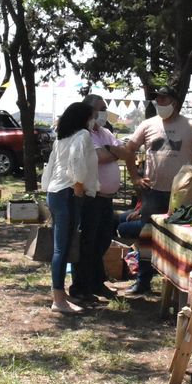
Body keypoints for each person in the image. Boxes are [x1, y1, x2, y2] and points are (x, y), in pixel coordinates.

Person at [119, 84, 192, 296]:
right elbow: (129, 149)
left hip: (182, 194)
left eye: (164, 99)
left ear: (175, 102)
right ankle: (143, 282)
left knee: (180, 238)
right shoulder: (147, 124)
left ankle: (177, 287)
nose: (160, 103)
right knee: (147, 237)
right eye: (158, 100)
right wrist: (135, 177)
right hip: (153, 191)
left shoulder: (191, 126)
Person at [72, 94, 138, 302]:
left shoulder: (105, 132)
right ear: (88, 110)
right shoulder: (83, 134)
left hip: (106, 199)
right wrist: (112, 151)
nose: (103, 112)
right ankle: (81, 287)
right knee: (87, 242)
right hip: (91, 198)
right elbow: (100, 157)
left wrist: (112, 150)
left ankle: (96, 282)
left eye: (105, 108)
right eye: (100, 108)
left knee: (102, 241)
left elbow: (126, 152)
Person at [40, 102, 99, 314]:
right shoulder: (82, 135)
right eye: (93, 115)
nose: (95, 119)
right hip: (68, 193)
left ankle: (61, 296)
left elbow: (52, 165)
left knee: (61, 246)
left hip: (55, 192)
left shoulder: (62, 136)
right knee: (62, 248)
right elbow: (77, 164)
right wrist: (79, 188)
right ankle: (58, 300)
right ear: (84, 118)